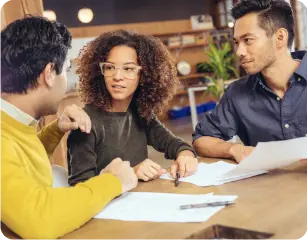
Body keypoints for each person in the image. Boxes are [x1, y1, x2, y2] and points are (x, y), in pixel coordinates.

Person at [0, 16, 137, 240]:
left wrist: (56, 130)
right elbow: (39, 220)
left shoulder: (11, 123)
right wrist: (113, 182)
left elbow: (20, 165)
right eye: (65, 70)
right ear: (48, 74)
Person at [67, 30, 198, 186]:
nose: (117, 76)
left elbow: (175, 145)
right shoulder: (84, 124)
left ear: (144, 75)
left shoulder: (139, 113)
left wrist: (186, 156)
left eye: (128, 69)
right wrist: (131, 173)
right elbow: (80, 188)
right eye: (109, 67)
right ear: (100, 72)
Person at [193, 0, 307, 162]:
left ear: (280, 38)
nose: (239, 52)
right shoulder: (237, 93)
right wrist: (233, 149)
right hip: (268, 186)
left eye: (248, 40)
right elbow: (201, 139)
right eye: (237, 42)